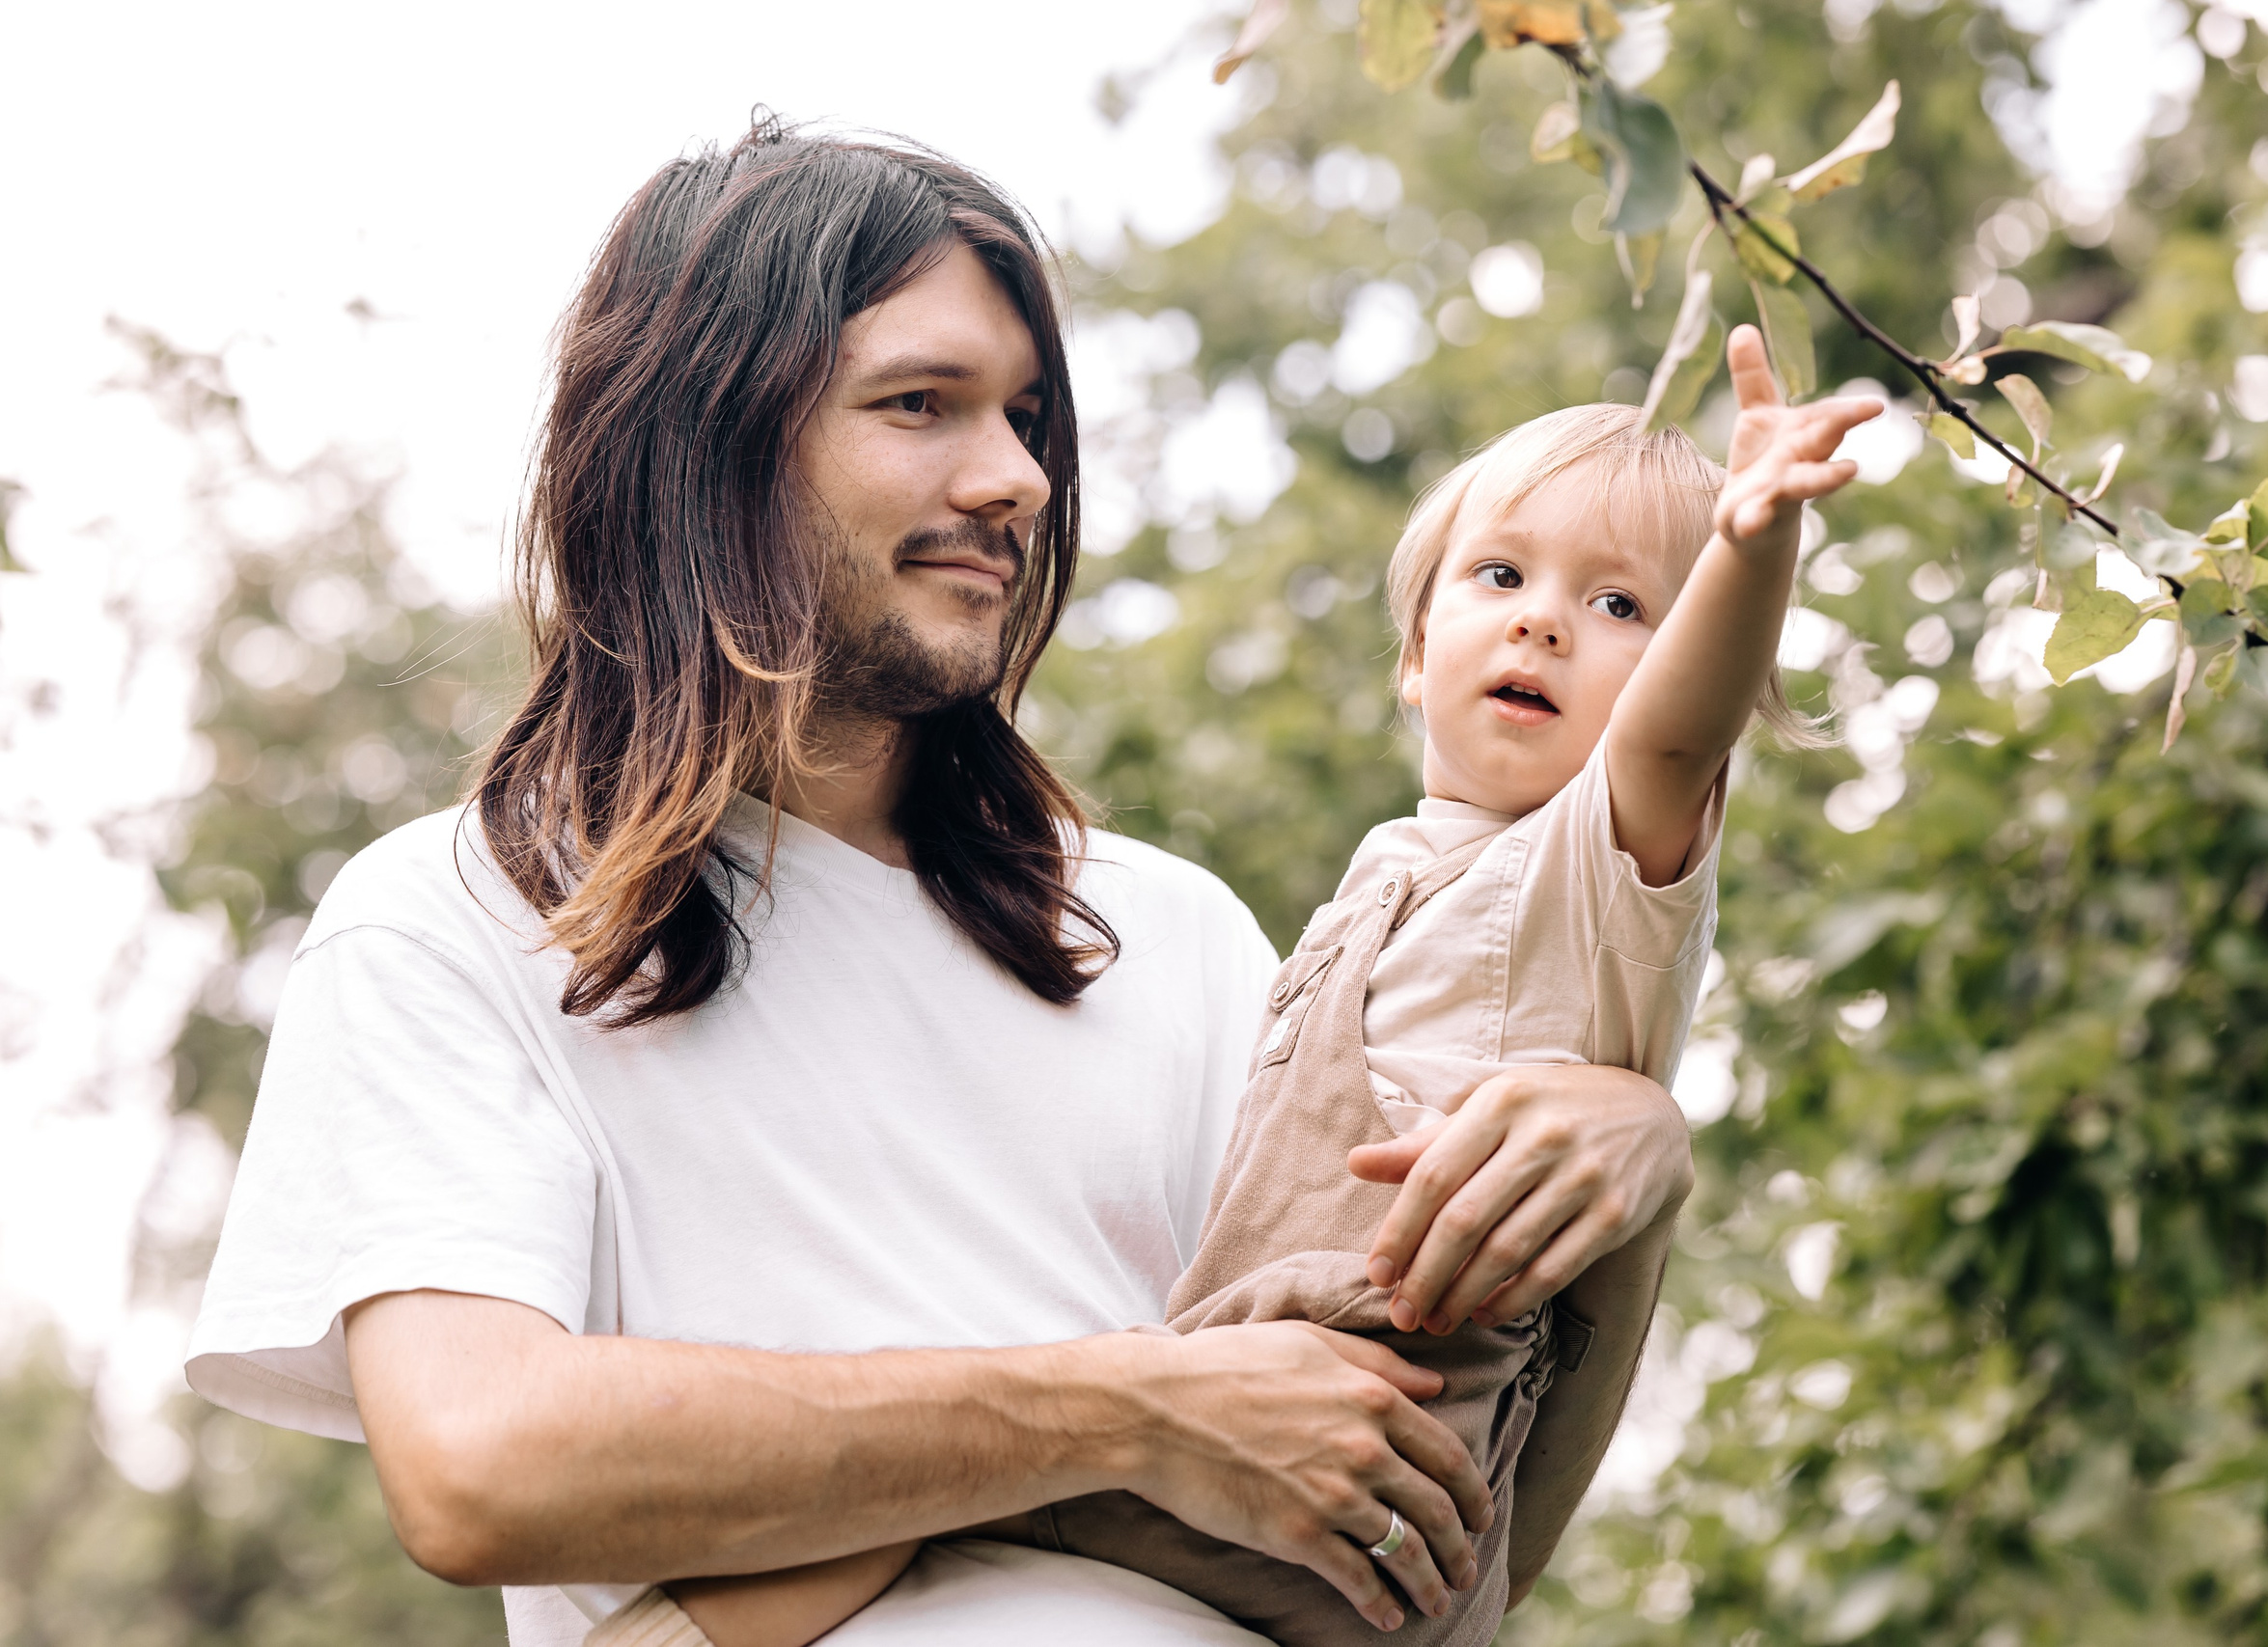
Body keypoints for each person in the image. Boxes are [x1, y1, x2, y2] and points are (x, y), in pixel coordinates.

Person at [182, 122, 1698, 1647]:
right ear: (703, 441)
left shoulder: (1170, 938)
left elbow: (1430, 1517)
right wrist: (1132, 1414)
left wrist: (1627, 1149)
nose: (1017, 479)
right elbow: (480, 1465)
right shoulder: (457, 919)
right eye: (921, 404)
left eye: (1027, 419)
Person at [638, 328, 1882, 1645]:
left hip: (1381, 1421)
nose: (1544, 619)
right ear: (1416, 653)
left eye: (1624, 607)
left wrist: (1753, 546)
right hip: (1295, 1408)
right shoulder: (1390, 870)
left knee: (927, 1483)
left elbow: (1678, 732)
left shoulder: (1597, 865)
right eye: (1502, 574)